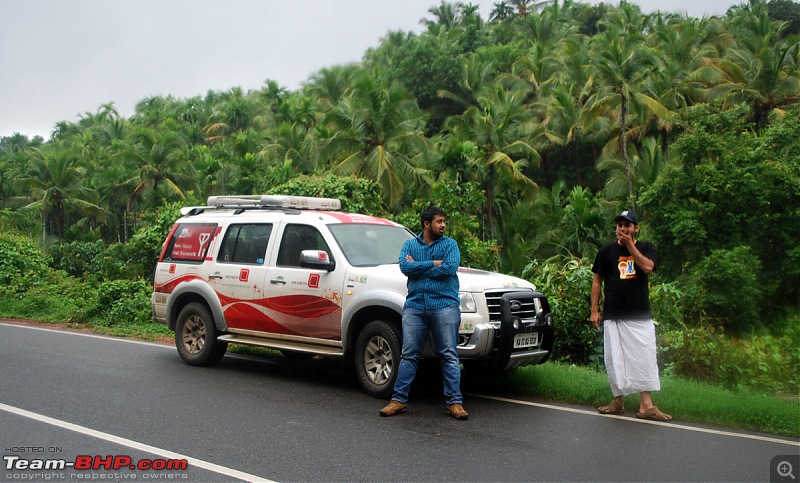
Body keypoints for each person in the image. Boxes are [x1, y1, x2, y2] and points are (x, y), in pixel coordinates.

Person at [379, 205, 468, 420]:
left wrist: (419, 266)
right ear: (427, 224)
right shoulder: (409, 245)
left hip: (445, 305)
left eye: (444, 221)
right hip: (415, 306)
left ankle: (455, 403)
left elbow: (449, 269)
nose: (443, 225)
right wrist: (433, 263)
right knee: (409, 354)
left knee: (448, 354)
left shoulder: (450, 245)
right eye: (439, 221)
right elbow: (405, 268)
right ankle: (398, 400)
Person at [590, 209, 672, 422]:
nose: (623, 229)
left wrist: (630, 246)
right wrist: (594, 310)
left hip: (640, 315)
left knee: (644, 357)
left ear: (635, 228)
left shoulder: (646, 248)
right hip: (613, 314)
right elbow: (597, 281)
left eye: (627, 225)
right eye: (620, 225)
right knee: (614, 358)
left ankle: (646, 405)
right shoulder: (606, 252)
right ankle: (618, 401)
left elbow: (647, 267)